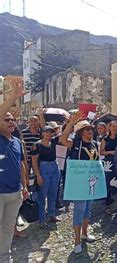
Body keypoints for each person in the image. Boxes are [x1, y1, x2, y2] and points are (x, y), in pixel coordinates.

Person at [59, 112, 99, 254]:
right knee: (79, 210)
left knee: (88, 210)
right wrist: (71, 123)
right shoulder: (75, 143)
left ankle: (84, 233)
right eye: (88, 130)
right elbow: (62, 139)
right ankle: (76, 241)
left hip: (91, 182)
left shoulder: (95, 144)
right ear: (82, 132)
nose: (91, 131)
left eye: (91, 129)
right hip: (79, 183)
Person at [0, 84, 29, 261]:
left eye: (12, 120)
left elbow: (21, 165)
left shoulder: (17, 141)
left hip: (15, 193)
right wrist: (13, 97)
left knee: (8, 228)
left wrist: (24, 187)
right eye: (6, 119)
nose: (11, 122)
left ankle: (4, 256)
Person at [30, 126, 62, 229]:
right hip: (43, 168)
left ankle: (51, 214)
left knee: (53, 193)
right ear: (42, 133)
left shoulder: (53, 142)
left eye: (51, 132)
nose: (49, 134)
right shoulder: (37, 145)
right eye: (46, 132)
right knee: (42, 195)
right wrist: (38, 176)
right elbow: (34, 162)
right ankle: (42, 219)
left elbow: (65, 133)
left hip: (54, 167)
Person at [99, 121, 117, 214]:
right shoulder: (105, 139)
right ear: (109, 127)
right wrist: (110, 152)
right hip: (108, 164)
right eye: (113, 126)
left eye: (116, 126)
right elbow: (101, 152)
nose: (114, 128)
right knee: (108, 184)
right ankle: (107, 205)